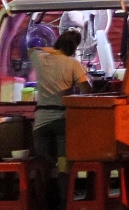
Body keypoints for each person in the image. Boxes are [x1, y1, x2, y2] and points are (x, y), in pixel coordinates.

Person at [30, 28, 90, 188]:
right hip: (63, 121)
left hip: (41, 122)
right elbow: (87, 90)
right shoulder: (73, 64)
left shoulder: (40, 58)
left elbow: (32, 49)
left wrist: (55, 51)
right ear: (73, 49)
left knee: (43, 168)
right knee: (64, 167)